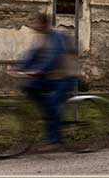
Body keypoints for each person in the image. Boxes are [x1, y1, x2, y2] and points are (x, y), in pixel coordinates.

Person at [12, 13, 79, 146]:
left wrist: (40, 70)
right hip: (50, 76)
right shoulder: (41, 38)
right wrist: (18, 67)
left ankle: (55, 137)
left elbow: (55, 56)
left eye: (37, 24)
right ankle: (50, 116)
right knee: (30, 88)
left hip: (65, 77)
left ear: (45, 24)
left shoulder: (57, 37)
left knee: (53, 102)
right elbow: (32, 55)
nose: (35, 27)